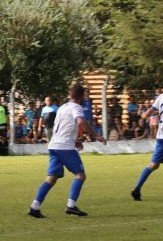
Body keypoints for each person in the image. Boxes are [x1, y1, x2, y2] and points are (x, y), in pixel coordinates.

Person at [28, 85, 106, 219]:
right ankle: (71, 206)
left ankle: (34, 207)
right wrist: (96, 135)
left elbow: (63, 126)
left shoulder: (62, 107)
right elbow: (80, 121)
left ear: (70, 95)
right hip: (65, 147)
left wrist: (74, 139)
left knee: (51, 179)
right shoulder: (77, 107)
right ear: (82, 96)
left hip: (54, 145)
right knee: (80, 176)